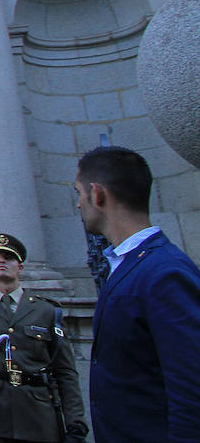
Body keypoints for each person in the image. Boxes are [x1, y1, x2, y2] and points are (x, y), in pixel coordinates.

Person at [75, 146, 200, 440]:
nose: (78, 205)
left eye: (78, 193)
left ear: (97, 194)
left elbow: (192, 385)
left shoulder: (164, 272)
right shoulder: (130, 264)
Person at [0, 233, 88, 442]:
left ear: (20, 267)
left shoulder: (45, 310)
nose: (2, 261)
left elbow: (65, 371)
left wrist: (75, 422)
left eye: (8, 257)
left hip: (39, 415)